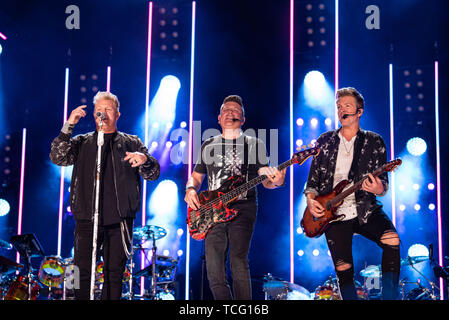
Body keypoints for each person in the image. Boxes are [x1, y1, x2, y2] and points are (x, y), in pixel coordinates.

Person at [50, 91, 160, 300]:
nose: (103, 114)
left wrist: (144, 159)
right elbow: (57, 157)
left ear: (117, 114)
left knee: (114, 272)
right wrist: (69, 125)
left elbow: (153, 173)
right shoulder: (82, 142)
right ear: (93, 115)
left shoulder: (131, 143)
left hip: (119, 219)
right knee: (81, 270)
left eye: (108, 109)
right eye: (99, 110)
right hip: (86, 218)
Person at [184, 95, 286, 300]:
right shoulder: (208, 144)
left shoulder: (254, 144)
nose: (231, 113)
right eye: (226, 110)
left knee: (238, 260)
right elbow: (196, 177)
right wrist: (190, 190)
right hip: (212, 211)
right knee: (214, 268)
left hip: (243, 206)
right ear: (219, 118)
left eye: (236, 110)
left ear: (243, 119)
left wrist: (277, 181)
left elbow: (264, 177)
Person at [304, 87, 400, 300]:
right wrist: (311, 201)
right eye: (339, 106)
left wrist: (378, 188)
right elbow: (312, 182)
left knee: (392, 239)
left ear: (359, 112)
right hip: (332, 213)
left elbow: (382, 185)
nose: (341, 110)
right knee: (343, 266)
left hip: (365, 207)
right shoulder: (325, 140)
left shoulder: (374, 141)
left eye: (347, 106)